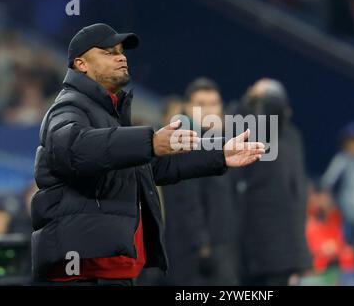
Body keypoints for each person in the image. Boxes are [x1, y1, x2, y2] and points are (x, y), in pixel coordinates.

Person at [31, 23, 265, 286]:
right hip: (83, 270)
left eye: (121, 51)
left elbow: (153, 166)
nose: (121, 56)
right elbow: (72, 149)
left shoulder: (110, 113)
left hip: (109, 268)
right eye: (108, 52)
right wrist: (149, 141)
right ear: (81, 64)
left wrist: (219, 154)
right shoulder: (69, 105)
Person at [232, 78, 312, 286]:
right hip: (261, 249)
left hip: (274, 251)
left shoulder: (280, 135)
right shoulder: (284, 136)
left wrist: (251, 98)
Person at [163, 78, 238, 285]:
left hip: (223, 249)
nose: (208, 110)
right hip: (194, 256)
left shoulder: (223, 144)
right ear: (187, 108)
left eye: (213, 103)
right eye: (201, 104)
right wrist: (203, 245)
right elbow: (186, 201)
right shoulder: (182, 143)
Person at [321, 121, 354, 243]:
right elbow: (327, 181)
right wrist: (330, 201)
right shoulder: (341, 159)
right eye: (352, 141)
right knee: (345, 241)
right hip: (345, 212)